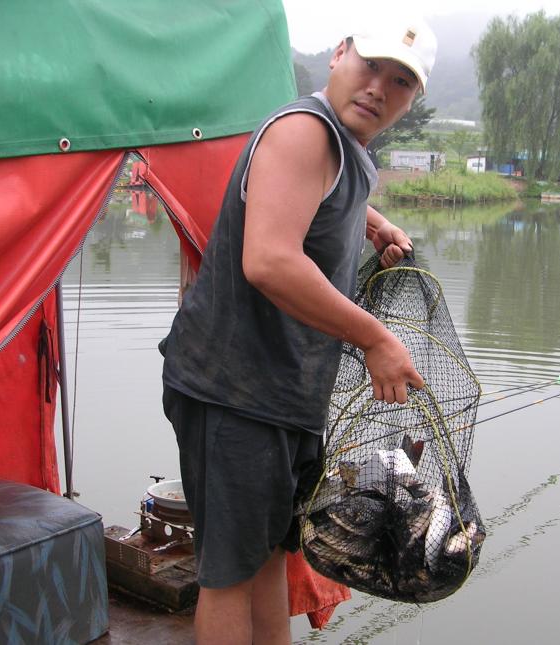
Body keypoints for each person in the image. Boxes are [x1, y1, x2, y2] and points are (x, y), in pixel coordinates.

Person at [159, 15, 437, 645]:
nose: (378, 87)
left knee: (267, 559)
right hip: (233, 391)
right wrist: (376, 338)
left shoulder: (345, 146)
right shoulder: (304, 131)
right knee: (229, 575)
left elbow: (321, 193)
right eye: (370, 65)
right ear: (339, 54)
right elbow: (269, 261)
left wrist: (374, 224)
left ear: (413, 98)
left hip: (281, 395)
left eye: (400, 81)